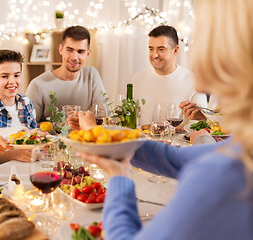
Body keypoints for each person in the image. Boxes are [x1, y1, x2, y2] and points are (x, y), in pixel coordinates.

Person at [76, 0, 253, 239]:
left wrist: (119, 177)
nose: (200, 84)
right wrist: (102, 135)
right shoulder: (240, 149)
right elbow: (174, 158)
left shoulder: (221, 175)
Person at [26, 25, 106, 123]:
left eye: (80, 51)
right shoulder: (37, 84)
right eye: (69, 50)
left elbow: (104, 115)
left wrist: (78, 117)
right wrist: (61, 123)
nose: (74, 57)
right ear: (61, 49)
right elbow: (28, 126)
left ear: (88, 54)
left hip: (81, 137)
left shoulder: (91, 75)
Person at [130, 25, 207, 126]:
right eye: (151, 49)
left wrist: (198, 116)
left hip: (178, 141)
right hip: (144, 140)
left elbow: (204, 122)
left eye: (161, 49)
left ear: (175, 50)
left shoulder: (193, 80)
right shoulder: (138, 78)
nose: (155, 55)